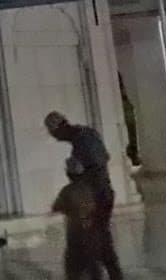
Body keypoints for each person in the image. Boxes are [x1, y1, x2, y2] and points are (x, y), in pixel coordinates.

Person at [44, 112, 122, 280]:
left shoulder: (85, 140)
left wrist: (84, 186)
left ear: (61, 128)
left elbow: (99, 165)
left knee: (95, 242)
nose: (57, 139)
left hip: (97, 198)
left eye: (56, 135)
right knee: (99, 240)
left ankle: (105, 274)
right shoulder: (84, 138)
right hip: (96, 197)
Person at [51, 157, 108, 280]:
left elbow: (56, 207)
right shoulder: (90, 189)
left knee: (73, 268)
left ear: (69, 174)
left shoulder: (67, 191)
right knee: (94, 267)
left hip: (75, 233)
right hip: (92, 232)